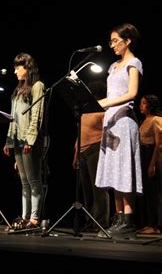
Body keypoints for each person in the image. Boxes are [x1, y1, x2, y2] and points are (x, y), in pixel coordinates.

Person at [95, 23, 143, 240]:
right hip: (110, 123)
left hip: (124, 123)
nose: (112, 45)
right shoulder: (113, 66)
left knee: (124, 169)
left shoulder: (133, 63)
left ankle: (128, 219)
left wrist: (106, 102)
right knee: (112, 169)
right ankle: (118, 216)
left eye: (116, 40)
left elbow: (132, 93)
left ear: (128, 40)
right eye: (111, 41)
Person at [3, 53, 45, 229]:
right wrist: (8, 141)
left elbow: (37, 115)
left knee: (34, 180)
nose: (15, 71)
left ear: (27, 68)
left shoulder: (38, 86)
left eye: (18, 67)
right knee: (24, 182)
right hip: (17, 140)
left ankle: (34, 218)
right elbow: (13, 117)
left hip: (29, 140)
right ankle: (25, 216)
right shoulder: (18, 89)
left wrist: (30, 140)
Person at [72, 80, 110, 231]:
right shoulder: (86, 109)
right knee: (86, 191)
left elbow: (108, 132)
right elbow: (80, 131)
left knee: (98, 188)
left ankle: (101, 223)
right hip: (81, 151)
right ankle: (90, 222)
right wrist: (76, 153)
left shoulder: (104, 107)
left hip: (96, 148)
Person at [136, 94, 162, 234]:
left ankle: (155, 225)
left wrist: (152, 164)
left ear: (151, 105)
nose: (141, 105)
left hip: (153, 155)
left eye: (144, 103)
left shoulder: (156, 120)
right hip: (143, 155)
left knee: (154, 191)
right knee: (145, 191)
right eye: (141, 103)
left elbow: (159, 144)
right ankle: (148, 223)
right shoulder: (143, 120)